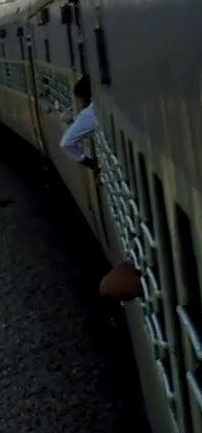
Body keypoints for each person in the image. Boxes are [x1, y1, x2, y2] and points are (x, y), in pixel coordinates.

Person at [62, 75, 145, 302]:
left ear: (87, 97)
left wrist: (92, 164)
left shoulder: (92, 111)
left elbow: (66, 143)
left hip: (130, 193)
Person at [60, 74, 99, 171]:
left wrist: (91, 164)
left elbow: (66, 143)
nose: (79, 103)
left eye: (79, 99)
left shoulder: (89, 113)